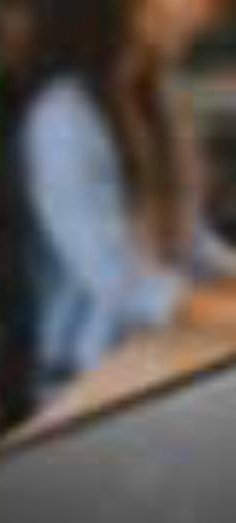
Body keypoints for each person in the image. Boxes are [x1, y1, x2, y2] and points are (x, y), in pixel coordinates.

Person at [19, 0, 236, 402]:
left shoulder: (150, 103)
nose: (204, 13)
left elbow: (187, 242)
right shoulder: (63, 116)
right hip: (86, 384)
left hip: (153, 357)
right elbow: (117, 279)